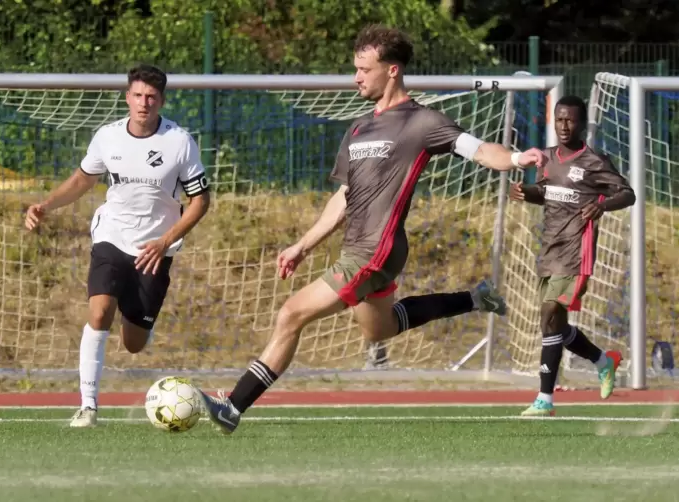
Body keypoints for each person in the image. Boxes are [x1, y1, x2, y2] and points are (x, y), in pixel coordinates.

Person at [197, 24, 546, 435]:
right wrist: (302, 246)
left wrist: (519, 157)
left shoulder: (422, 121)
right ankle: (473, 299)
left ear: (392, 70)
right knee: (380, 329)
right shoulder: (358, 128)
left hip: (376, 250)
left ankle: (232, 408)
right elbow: (344, 197)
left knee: (290, 314)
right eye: (356, 69)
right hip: (358, 246)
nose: (356, 77)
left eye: (364, 69)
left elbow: (480, 150)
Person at [24, 64, 211, 427]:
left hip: (155, 249)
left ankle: (138, 315)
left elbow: (201, 201)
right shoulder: (107, 137)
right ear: (127, 97)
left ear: (162, 101)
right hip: (111, 235)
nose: (144, 103)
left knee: (134, 343)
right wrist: (45, 205)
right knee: (99, 313)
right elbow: (82, 179)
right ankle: (88, 406)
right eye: (138, 95)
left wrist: (165, 241)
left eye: (152, 97)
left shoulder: (179, 142)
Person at [509, 95, 635, 417]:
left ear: (581, 125)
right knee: (553, 327)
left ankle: (544, 400)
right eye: (560, 119)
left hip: (577, 251)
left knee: (550, 315)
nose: (565, 126)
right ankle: (603, 361)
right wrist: (527, 192)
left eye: (571, 120)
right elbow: (550, 196)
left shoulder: (594, 161)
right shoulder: (547, 159)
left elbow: (628, 193)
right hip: (549, 249)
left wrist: (602, 205)